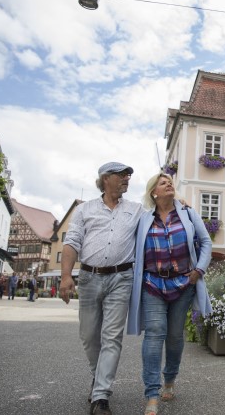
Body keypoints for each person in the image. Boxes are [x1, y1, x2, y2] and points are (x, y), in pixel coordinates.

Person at [59, 161, 144, 415]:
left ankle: (101, 397)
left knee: (111, 337)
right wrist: (65, 276)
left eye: (129, 175)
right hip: (88, 278)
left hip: (121, 278)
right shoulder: (84, 210)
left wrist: (181, 206)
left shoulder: (136, 209)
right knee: (88, 336)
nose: (127, 178)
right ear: (106, 178)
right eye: (122, 175)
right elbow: (72, 242)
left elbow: (161, 215)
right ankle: (99, 380)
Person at [127, 173, 212, 415]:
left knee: (174, 336)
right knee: (154, 334)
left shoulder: (188, 213)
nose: (169, 184)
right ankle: (152, 394)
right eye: (163, 183)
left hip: (183, 284)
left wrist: (198, 270)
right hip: (152, 284)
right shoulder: (144, 219)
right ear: (154, 192)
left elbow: (205, 242)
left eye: (170, 182)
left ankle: (170, 379)